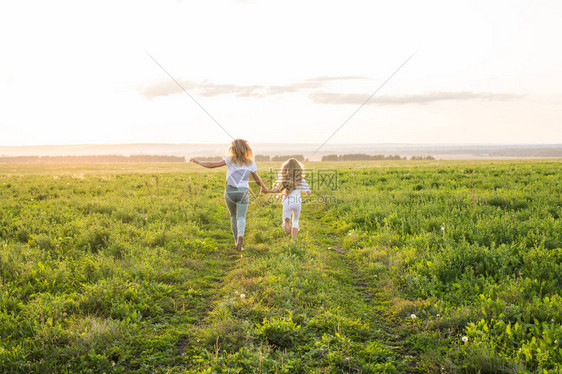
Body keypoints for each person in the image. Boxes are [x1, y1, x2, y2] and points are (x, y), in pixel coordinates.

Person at [190, 139, 268, 250]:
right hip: (243, 192)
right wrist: (264, 187)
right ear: (246, 149)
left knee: (233, 216)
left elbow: (212, 165)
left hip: (230, 191)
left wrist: (198, 162)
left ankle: (237, 241)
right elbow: (256, 178)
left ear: (233, 149)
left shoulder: (230, 160)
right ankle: (241, 235)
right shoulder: (250, 162)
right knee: (241, 217)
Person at [263, 158, 311, 242]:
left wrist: (267, 191)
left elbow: (276, 190)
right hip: (297, 202)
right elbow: (308, 191)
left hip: (287, 201)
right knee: (296, 220)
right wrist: (307, 192)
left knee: (286, 217)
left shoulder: (284, 179)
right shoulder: (300, 179)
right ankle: (293, 240)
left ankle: (286, 223)